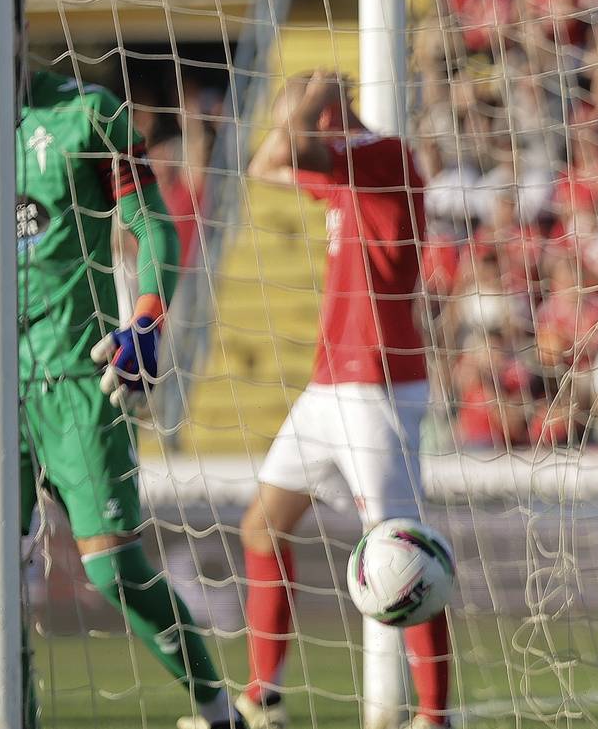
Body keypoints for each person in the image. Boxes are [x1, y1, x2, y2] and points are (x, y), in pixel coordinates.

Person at [0, 0, 241, 728]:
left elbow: (152, 221)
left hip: (81, 377)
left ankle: (217, 709)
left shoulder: (86, 114)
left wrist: (146, 317)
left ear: (20, 27)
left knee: (114, 570)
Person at [235, 71, 450, 729]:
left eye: (288, 111)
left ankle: (434, 717)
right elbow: (266, 160)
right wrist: (307, 105)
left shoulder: (384, 156)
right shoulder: (341, 168)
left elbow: (289, 146)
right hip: (328, 385)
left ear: (324, 115)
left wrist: (317, 93)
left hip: (377, 384)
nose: (282, 123)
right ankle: (263, 698)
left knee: (403, 550)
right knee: (260, 526)